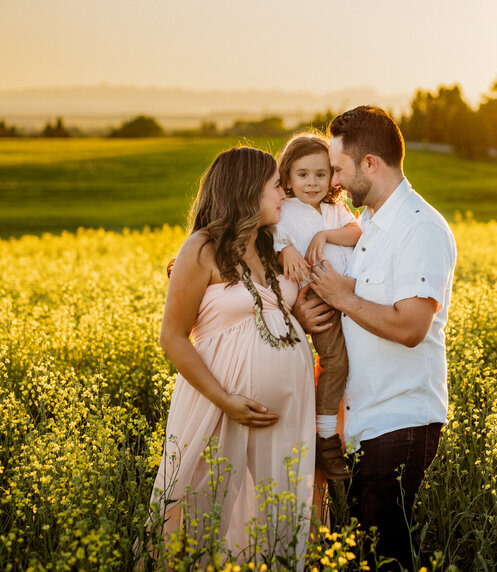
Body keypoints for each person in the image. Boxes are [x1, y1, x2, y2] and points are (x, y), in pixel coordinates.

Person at [293, 106, 457, 568]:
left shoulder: (418, 228)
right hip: (368, 423)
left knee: (387, 558)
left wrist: (343, 297)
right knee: (373, 555)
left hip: (400, 420)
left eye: (340, 168)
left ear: (371, 164)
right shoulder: (367, 227)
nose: (334, 181)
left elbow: (410, 327)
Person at [150, 146, 316, 559]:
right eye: (276, 187)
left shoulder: (270, 246)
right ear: (246, 192)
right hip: (219, 407)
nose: (284, 195)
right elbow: (172, 337)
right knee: (202, 519)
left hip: (287, 419)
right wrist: (226, 400)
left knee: (278, 524)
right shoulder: (202, 249)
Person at [273, 133, 361, 481]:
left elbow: (356, 233)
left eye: (321, 174)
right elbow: (273, 236)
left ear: (332, 178)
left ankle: (339, 431)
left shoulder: (335, 211)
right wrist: (286, 250)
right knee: (336, 361)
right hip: (315, 297)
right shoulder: (285, 211)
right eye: (303, 174)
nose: (312, 182)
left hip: (348, 293)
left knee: (350, 361)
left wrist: (324, 236)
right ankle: (325, 438)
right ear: (288, 179)